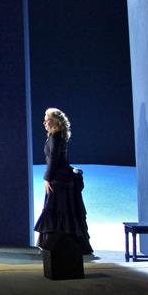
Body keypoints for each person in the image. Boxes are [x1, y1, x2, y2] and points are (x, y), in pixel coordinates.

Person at [34, 108, 93, 254]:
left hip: (58, 181)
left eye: (47, 120)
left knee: (57, 210)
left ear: (54, 121)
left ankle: (55, 245)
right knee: (62, 211)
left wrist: (47, 178)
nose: (44, 123)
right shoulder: (57, 137)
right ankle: (61, 245)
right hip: (61, 179)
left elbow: (54, 160)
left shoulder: (56, 137)